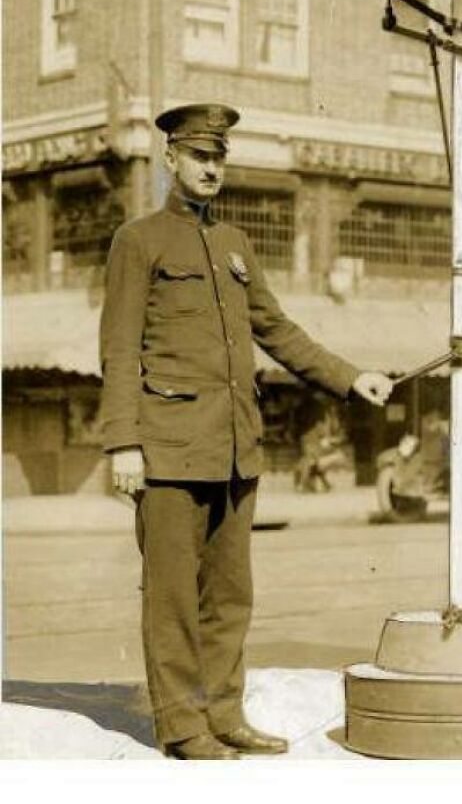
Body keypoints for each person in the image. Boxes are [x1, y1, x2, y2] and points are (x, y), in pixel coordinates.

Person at [100, 102, 393, 760]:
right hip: (169, 450)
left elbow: (279, 329)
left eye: (220, 157)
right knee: (173, 599)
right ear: (170, 159)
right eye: (199, 155)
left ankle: (224, 715)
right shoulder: (139, 240)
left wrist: (351, 378)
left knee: (230, 596)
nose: (211, 168)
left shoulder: (233, 244)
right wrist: (123, 441)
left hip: (236, 449)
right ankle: (181, 727)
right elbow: (119, 348)